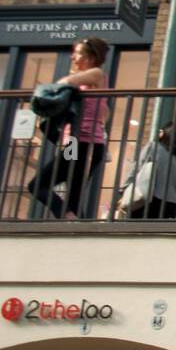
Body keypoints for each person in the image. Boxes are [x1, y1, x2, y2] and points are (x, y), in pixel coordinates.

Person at [28, 37, 110, 220]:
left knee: (37, 185)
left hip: (81, 144)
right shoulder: (93, 81)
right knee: (73, 197)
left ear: (91, 57)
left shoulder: (96, 73)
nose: (73, 57)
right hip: (81, 143)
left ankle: (68, 218)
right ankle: (75, 224)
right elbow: (106, 112)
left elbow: (64, 82)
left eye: (78, 53)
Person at [117, 121, 176, 219]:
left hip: (148, 200)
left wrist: (123, 189)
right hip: (171, 206)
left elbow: (137, 168)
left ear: (163, 133)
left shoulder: (153, 147)